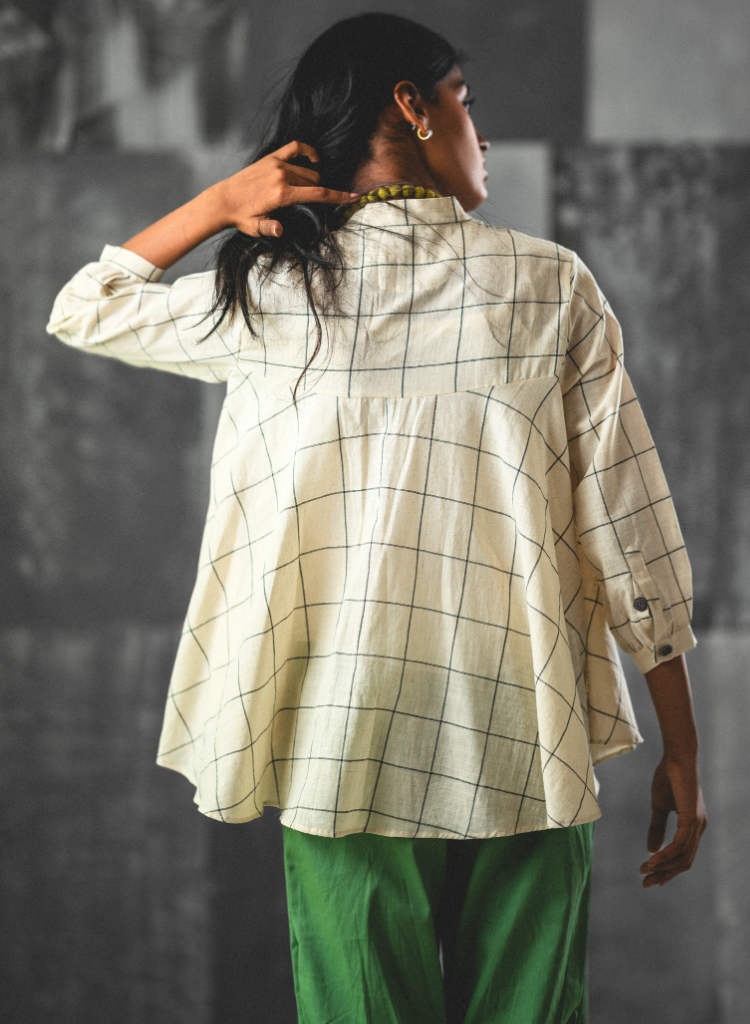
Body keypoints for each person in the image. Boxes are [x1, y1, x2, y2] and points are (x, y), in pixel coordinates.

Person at [46, 12, 707, 1024]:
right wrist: (682, 747)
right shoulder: (549, 286)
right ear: (412, 105)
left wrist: (220, 204)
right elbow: (631, 528)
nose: (480, 132)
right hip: (525, 720)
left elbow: (85, 305)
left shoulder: (268, 292)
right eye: (465, 102)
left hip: (338, 729)